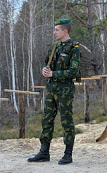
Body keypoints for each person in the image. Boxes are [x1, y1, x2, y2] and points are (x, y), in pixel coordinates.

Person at [27, 19, 80, 165]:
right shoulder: (54, 46)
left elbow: (74, 71)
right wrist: (45, 70)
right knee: (47, 120)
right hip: (51, 89)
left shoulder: (73, 48)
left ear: (65, 31)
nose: (54, 32)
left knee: (66, 121)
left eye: (57, 30)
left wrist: (54, 74)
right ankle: (44, 152)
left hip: (65, 90)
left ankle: (68, 154)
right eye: (54, 29)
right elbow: (47, 63)